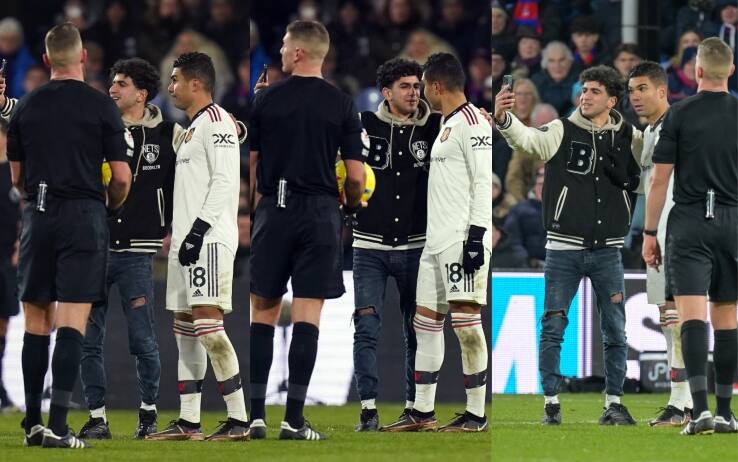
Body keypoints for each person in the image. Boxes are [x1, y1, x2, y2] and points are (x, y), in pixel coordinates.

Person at [494, 65, 642, 426]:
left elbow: (656, 163)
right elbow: (527, 140)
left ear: (611, 99)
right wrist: (504, 119)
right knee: (554, 326)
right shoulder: (561, 129)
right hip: (563, 248)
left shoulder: (630, 136)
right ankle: (551, 404)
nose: (585, 96)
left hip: (608, 249)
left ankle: (614, 404)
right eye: (583, 89)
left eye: (594, 91)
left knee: (616, 329)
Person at [7, 22, 132, 449]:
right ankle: (60, 426)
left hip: (38, 215)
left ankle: (33, 425)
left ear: (46, 60)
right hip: (83, 214)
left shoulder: (25, 107)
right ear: (83, 58)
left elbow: (18, 176)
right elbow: (120, 177)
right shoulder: (101, 107)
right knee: (72, 323)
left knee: (36, 322)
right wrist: (108, 205)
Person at [247, 20, 365, 441]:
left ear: (298, 53)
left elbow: (254, 167)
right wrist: (350, 205)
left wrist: (258, 210)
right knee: (307, 317)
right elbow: (355, 175)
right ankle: (293, 420)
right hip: (319, 213)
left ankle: (256, 417)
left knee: (261, 310)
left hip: (274, 210)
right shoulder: (342, 104)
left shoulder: (265, 99)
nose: (279, 51)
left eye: (282, 44)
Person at [381, 52, 491, 433]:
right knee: (425, 323)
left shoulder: (473, 123)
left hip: (462, 238)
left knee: (466, 325)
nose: (422, 91)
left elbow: (481, 181)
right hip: (434, 241)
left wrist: (476, 235)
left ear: (437, 86)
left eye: (425, 84)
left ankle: (476, 414)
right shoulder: (447, 124)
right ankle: (422, 413)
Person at [146, 52, 249, 442]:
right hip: (186, 243)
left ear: (195, 83)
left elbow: (225, 181)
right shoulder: (191, 129)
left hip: (206, 241)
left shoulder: (217, 122)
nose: (169, 87)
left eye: (174, 80)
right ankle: (189, 422)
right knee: (186, 329)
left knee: (208, 327)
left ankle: (238, 419)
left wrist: (196, 233)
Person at [643, 37, 738, 435]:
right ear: (730, 70)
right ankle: (726, 412)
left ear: (697, 71)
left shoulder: (678, 115)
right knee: (728, 319)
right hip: (733, 222)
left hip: (689, 221)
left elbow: (659, 181)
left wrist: (650, 233)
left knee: (692, 317)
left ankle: (698, 412)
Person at [76, 58, 174, 441]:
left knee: (143, 338)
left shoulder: (169, 133)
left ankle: (148, 415)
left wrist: (237, 126)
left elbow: (214, 141)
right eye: (112, 82)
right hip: (95, 248)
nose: (112, 89)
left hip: (137, 252)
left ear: (141, 93)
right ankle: (97, 418)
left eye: (121, 83)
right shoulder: (97, 130)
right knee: (89, 339)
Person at [351, 58, 441, 432]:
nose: (413, 92)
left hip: (417, 247)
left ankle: (414, 407)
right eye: (405, 86)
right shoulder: (361, 127)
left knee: (416, 330)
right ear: (386, 93)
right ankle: (369, 410)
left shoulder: (437, 127)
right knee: (366, 328)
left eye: (416, 86)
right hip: (368, 247)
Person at [627, 61, 693, 427]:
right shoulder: (651, 131)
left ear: (662, 90)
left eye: (642, 88)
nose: (635, 96)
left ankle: (684, 402)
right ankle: (679, 400)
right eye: (631, 90)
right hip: (660, 232)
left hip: (676, 231)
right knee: (668, 318)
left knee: (677, 315)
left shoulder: (678, 126)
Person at [0, 118, 20, 413]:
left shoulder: (15, 172)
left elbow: (22, 210)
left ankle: (1, 390)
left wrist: (20, 242)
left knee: (3, 323)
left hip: (6, 257)